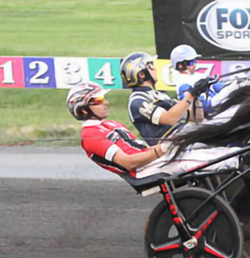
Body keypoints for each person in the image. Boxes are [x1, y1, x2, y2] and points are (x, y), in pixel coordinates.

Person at [67, 82, 238, 179]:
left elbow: (141, 149)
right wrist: (163, 149)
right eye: (97, 100)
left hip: (152, 160)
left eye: (103, 99)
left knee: (208, 145)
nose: (105, 103)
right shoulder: (89, 135)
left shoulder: (112, 124)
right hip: (143, 170)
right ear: (83, 110)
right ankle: (241, 159)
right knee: (217, 159)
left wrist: (167, 146)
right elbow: (128, 162)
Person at [120, 51, 210, 145]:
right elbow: (169, 119)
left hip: (186, 140)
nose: (155, 69)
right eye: (150, 66)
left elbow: (196, 117)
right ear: (142, 74)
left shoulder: (160, 95)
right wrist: (192, 94)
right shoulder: (137, 101)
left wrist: (197, 95)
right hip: (171, 148)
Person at [170, 44, 231, 120]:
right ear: (180, 65)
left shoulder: (199, 76)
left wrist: (232, 86)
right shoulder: (182, 84)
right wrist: (225, 93)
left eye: (195, 61)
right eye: (191, 63)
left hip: (220, 110)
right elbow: (204, 107)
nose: (195, 65)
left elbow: (218, 86)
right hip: (209, 118)